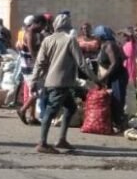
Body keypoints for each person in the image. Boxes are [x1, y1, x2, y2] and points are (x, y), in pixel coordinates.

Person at [31, 13, 97, 154]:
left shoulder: (47, 40)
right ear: (67, 25)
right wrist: (95, 79)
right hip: (62, 82)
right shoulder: (70, 40)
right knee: (51, 111)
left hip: (52, 81)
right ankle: (42, 143)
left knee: (71, 108)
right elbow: (82, 63)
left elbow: (39, 63)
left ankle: (62, 139)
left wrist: (34, 80)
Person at [94, 25, 127, 132]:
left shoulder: (110, 45)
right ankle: (113, 123)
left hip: (118, 76)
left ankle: (120, 124)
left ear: (101, 36)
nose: (95, 38)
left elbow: (114, 64)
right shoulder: (104, 45)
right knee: (110, 100)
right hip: (112, 76)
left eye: (97, 36)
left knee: (117, 100)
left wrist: (103, 77)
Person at [16, 15, 47, 125]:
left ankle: (32, 116)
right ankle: (22, 110)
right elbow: (33, 52)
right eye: (43, 25)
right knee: (37, 92)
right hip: (30, 68)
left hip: (29, 67)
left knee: (32, 92)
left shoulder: (35, 34)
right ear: (38, 23)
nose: (43, 28)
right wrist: (40, 66)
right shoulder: (30, 34)